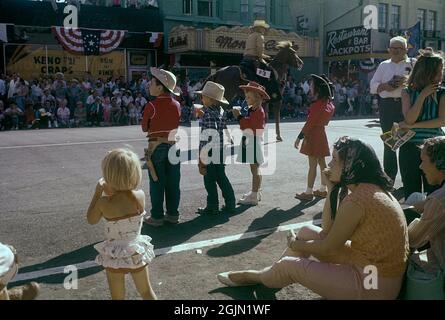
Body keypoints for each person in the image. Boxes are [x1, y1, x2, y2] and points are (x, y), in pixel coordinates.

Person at [217, 137, 410, 300]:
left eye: (335, 160)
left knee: (291, 262)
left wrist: (296, 244)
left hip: (373, 283)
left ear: (352, 165)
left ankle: (263, 276)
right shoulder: (369, 189)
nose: (328, 165)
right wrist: (332, 189)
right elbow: (327, 232)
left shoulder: (358, 199)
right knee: (306, 232)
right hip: (374, 270)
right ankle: (274, 274)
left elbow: (328, 247)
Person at [87, 148, 157, 300]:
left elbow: (91, 219)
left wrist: (98, 192)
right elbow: (124, 195)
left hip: (114, 254)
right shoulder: (140, 196)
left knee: (118, 297)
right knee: (146, 291)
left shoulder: (104, 202)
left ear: (108, 176)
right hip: (135, 250)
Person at [399, 48, 445, 199]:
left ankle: (432, 222)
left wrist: (413, 126)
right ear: (426, 73)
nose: (440, 76)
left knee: (435, 192)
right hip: (410, 148)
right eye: (438, 72)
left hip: (435, 149)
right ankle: (413, 222)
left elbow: (441, 120)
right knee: (411, 193)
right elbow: (409, 118)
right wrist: (423, 95)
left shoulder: (442, 93)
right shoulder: (407, 92)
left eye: (441, 71)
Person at [370, 36, 416, 183]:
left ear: (406, 49)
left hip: (406, 105)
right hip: (387, 106)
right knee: (389, 142)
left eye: (399, 48)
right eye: (393, 48)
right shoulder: (383, 65)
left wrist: (407, 83)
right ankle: (389, 179)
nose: (395, 51)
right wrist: (385, 86)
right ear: (389, 50)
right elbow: (373, 86)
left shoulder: (413, 64)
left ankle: (408, 181)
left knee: (407, 143)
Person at [141, 67, 181, 227]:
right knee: (173, 183)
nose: (149, 85)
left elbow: (144, 127)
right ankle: (173, 214)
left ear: (160, 87)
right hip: (173, 147)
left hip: (156, 147)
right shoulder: (177, 104)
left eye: (151, 83)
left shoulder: (152, 105)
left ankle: (157, 217)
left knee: (157, 183)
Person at [195, 81, 236, 215]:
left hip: (210, 151)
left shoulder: (207, 114)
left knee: (209, 179)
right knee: (221, 177)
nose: (202, 98)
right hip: (220, 150)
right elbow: (221, 128)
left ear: (211, 100)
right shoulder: (221, 111)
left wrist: (202, 155)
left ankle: (212, 205)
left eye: (204, 97)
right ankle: (230, 203)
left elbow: (208, 136)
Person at [406, 137, 445, 274]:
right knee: (417, 198)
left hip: (442, 264)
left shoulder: (438, 200)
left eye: (423, 161)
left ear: (439, 163)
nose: (420, 166)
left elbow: (414, 238)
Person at [295, 74, 335, 201]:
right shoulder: (327, 104)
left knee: (312, 165)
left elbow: (309, 123)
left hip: (313, 135)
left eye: (312, 85)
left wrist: (299, 137)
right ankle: (324, 189)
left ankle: (308, 192)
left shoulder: (317, 104)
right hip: (321, 133)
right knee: (322, 163)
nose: (310, 87)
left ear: (317, 89)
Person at [232, 82, 269, 206]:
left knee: (255, 168)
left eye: (248, 97)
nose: (246, 99)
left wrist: (239, 117)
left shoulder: (258, 111)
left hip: (253, 140)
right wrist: (242, 117)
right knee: (255, 167)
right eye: (246, 96)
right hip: (252, 140)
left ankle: (254, 195)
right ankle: (256, 192)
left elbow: (251, 127)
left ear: (257, 98)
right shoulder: (254, 109)